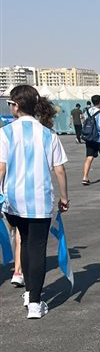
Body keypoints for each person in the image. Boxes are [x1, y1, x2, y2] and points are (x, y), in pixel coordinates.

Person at [0, 85, 69, 319]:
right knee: (37, 247)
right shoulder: (48, 134)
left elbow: (1, 168)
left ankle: (30, 293)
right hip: (40, 199)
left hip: (13, 199)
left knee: (25, 241)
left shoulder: (5, 133)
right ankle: (35, 303)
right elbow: (59, 169)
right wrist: (64, 197)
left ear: (16, 106)